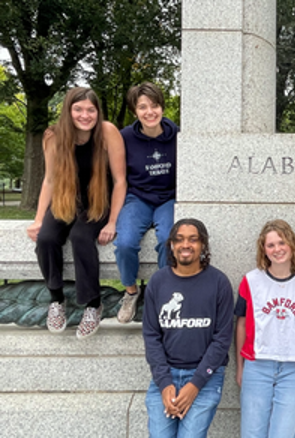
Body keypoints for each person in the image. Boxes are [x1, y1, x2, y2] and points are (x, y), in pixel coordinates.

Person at [26, 87, 126, 339]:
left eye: (90, 109)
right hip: (66, 199)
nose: (85, 115)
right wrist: (38, 219)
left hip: (97, 200)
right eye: (78, 109)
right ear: (68, 111)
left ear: (97, 111)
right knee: (46, 239)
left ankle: (93, 305)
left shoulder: (108, 132)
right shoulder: (53, 136)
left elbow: (120, 180)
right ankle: (56, 299)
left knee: (81, 237)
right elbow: (49, 180)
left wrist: (112, 221)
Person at [143, 218, 234, 438]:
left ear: (203, 245)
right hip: (165, 376)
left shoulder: (219, 283)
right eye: (180, 239)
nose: (186, 245)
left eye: (193, 239)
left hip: (204, 378)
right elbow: (151, 336)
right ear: (172, 245)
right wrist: (165, 384)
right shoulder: (157, 282)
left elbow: (222, 339)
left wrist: (195, 384)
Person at [235, 219, 295, 438]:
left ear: (291, 244)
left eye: (281, 243)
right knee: (252, 433)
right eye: (270, 245)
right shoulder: (251, 281)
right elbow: (242, 324)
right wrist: (240, 367)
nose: (277, 249)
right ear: (263, 250)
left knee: (284, 433)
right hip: (257, 365)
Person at [114, 82, 178, 323]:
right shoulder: (125, 137)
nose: (150, 112)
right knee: (126, 243)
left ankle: (159, 293)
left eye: (155, 105)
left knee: (167, 240)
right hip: (138, 197)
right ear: (134, 111)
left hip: (168, 198)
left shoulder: (178, 135)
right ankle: (131, 292)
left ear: (162, 106)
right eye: (143, 107)